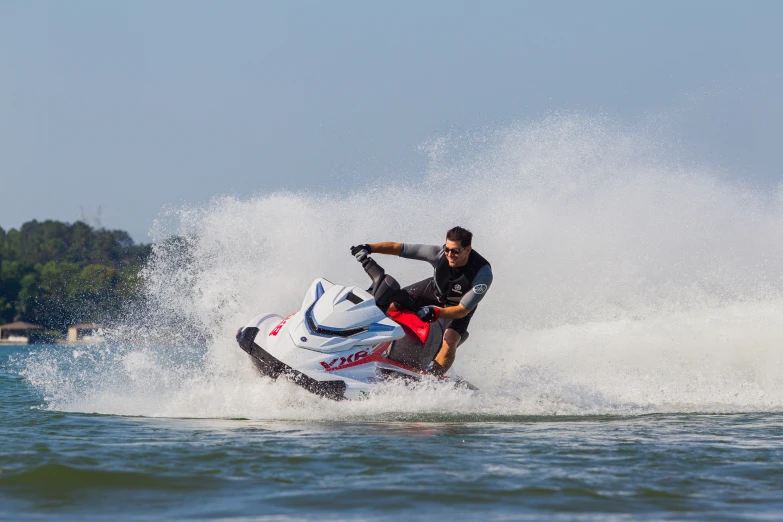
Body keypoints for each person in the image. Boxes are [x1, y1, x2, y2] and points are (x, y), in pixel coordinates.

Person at [350, 226, 492, 376]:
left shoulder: (483, 274)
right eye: (447, 249)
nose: (450, 255)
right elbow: (398, 248)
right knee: (390, 304)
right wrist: (368, 248)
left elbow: (462, 310)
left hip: (458, 307)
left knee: (450, 341)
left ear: (467, 249)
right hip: (434, 290)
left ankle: (434, 381)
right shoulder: (438, 253)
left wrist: (435, 312)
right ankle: (366, 348)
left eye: (455, 251)